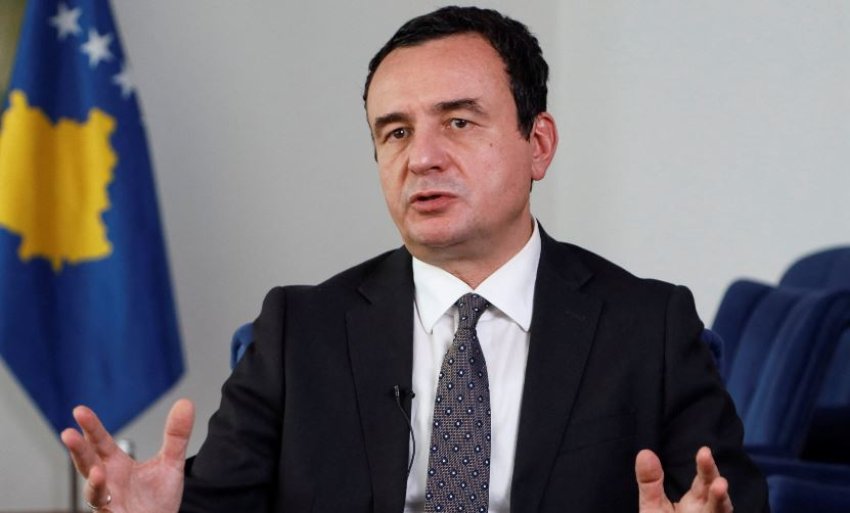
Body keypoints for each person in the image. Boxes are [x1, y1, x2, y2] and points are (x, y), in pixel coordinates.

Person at [62, 6, 769, 513]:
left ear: (538, 145)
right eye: (395, 132)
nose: (422, 157)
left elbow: (725, 497)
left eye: (458, 121)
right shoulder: (300, 328)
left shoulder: (647, 324)